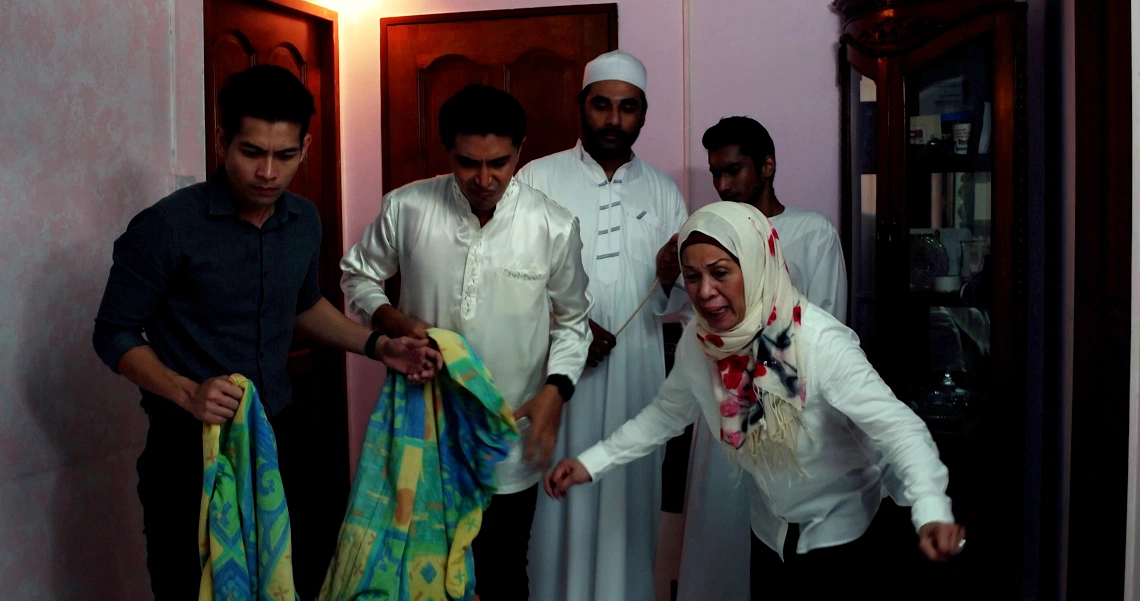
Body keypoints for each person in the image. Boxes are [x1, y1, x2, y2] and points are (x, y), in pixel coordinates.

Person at [92, 65, 441, 601]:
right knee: (192, 587)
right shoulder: (165, 227)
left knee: (289, 581)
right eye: (252, 152)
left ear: (305, 145)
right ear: (221, 140)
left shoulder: (303, 219)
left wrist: (378, 345)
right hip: (187, 451)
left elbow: (302, 307)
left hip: (281, 438)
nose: (268, 173)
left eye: (285, 155)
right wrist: (188, 392)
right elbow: (113, 333)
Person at [546, 202, 966, 598]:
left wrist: (931, 508)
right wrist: (592, 463)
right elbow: (665, 415)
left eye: (721, 272)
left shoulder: (818, 343)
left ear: (756, 265)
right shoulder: (702, 344)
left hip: (846, 533)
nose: (705, 291)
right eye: (692, 277)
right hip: (771, 532)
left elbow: (899, 428)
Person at [338, 84, 592, 600]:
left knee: (501, 571)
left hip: (506, 436)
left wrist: (556, 389)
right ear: (446, 152)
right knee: (411, 569)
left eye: (499, 162)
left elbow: (573, 321)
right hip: (419, 430)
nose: (484, 178)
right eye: (467, 162)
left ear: (520, 150)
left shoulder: (553, 226)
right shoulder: (407, 208)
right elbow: (356, 276)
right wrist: (392, 319)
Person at [516, 49, 688, 601]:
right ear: (581, 107)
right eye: (602, 106)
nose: (614, 120)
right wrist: (567, 329)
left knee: (627, 497)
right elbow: (507, 280)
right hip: (553, 379)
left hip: (638, 374)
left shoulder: (664, 191)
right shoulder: (535, 179)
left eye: (628, 108)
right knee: (550, 504)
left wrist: (670, 276)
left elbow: (680, 298)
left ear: (643, 113)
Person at [671, 116, 853, 600]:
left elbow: (827, 326)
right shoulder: (708, 237)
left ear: (767, 166)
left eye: (735, 170)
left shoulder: (812, 232)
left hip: (788, 416)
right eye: (716, 173)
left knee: (781, 554)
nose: (723, 184)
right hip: (722, 413)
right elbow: (686, 315)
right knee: (719, 543)